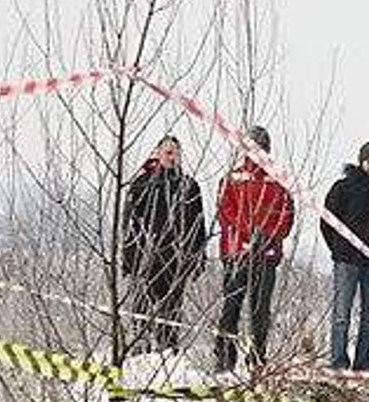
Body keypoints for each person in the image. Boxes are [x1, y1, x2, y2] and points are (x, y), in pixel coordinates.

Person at [215, 125, 296, 372]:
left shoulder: (279, 179)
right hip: (237, 251)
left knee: (260, 310)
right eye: (252, 146)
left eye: (262, 147)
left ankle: (257, 358)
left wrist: (269, 235)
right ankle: (224, 358)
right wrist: (249, 231)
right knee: (231, 306)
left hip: (267, 254)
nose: (257, 151)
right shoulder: (232, 177)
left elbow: (287, 214)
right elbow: (225, 211)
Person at [121, 134, 207, 354]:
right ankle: (140, 354)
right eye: (168, 152)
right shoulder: (140, 184)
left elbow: (198, 224)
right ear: (157, 153)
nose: (172, 156)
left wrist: (198, 258)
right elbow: (128, 224)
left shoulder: (189, 186)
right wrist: (128, 258)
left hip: (175, 258)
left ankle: (168, 355)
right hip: (144, 258)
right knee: (141, 312)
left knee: (170, 314)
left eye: (176, 152)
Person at [321, 140, 369, 371]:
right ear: (361, 161)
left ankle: (362, 361)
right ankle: (338, 360)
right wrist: (337, 249)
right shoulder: (344, 187)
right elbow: (327, 221)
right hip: (346, 260)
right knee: (341, 314)